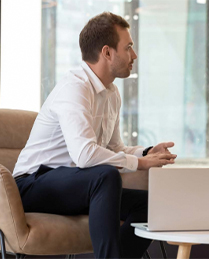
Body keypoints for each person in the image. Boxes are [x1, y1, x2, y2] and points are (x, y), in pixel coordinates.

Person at [12, 12, 177, 259]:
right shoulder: (74, 88)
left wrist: (146, 152)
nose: (134, 55)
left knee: (151, 205)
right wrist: (140, 164)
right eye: (129, 47)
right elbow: (84, 155)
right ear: (107, 52)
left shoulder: (111, 93)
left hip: (77, 184)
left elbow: (113, 148)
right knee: (106, 176)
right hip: (32, 183)